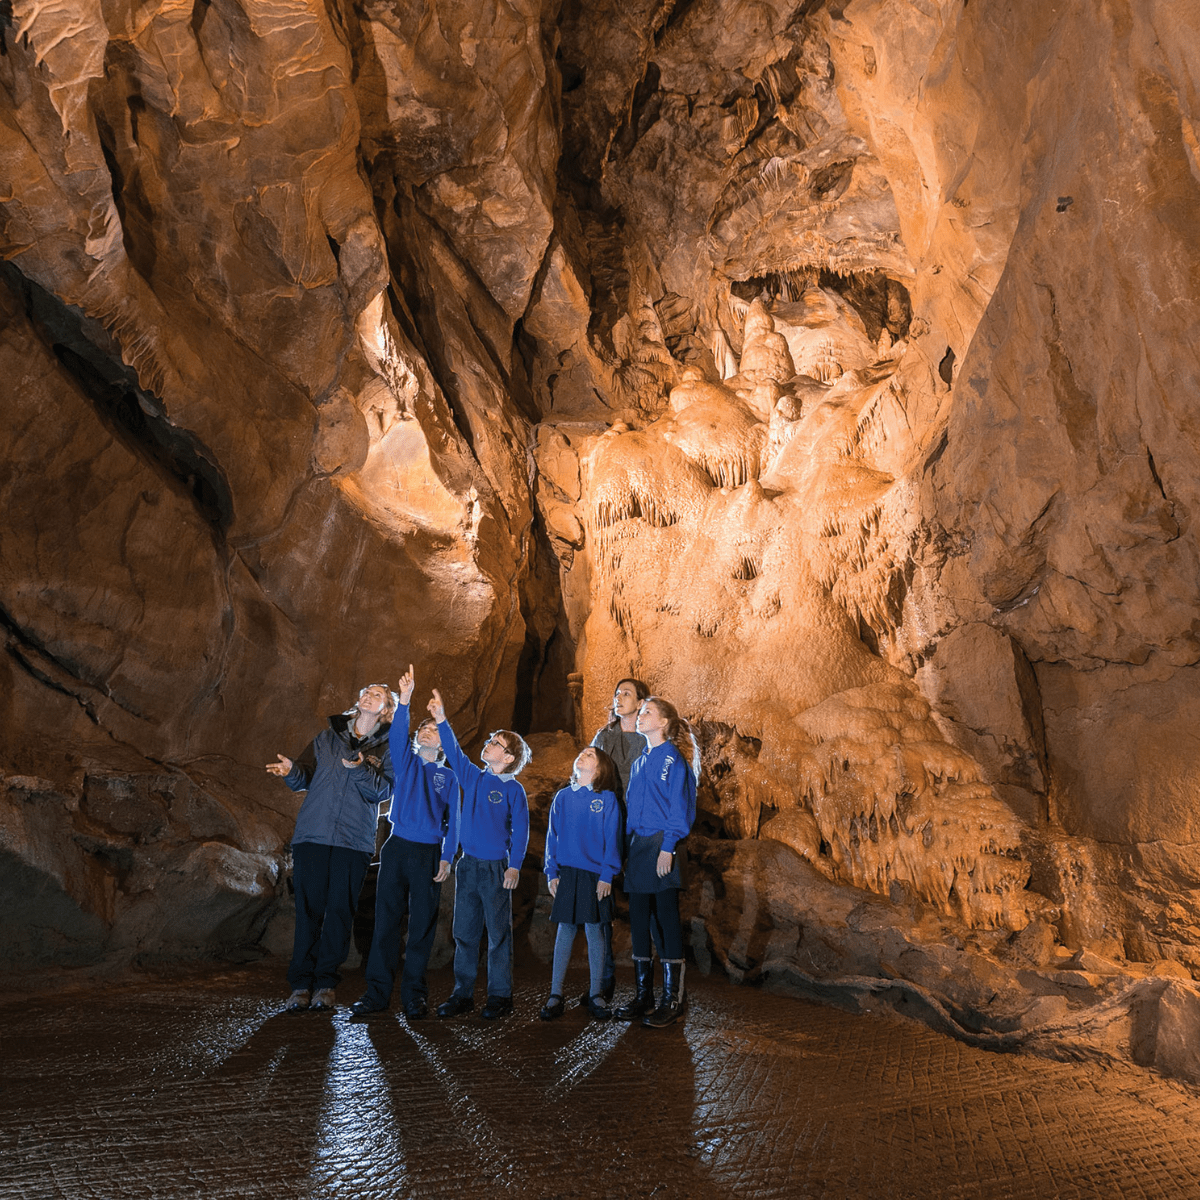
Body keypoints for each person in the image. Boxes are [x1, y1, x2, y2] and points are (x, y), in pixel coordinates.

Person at [266, 683, 396, 1013]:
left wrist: (360, 769)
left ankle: (325, 984)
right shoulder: (326, 739)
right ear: (358, 701)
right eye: (366, 691)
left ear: (386, 710)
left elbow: (383, 792)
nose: (368, 694)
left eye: (378, 694)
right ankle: (299, 985)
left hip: (353, 841)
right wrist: (290, 771)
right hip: (313, 835)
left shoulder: (391, 746)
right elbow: (304, 777)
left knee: (339, 911)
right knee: (308, 911)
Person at [351, 666, 458, 1021]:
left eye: (433, 729)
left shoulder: (448, 776)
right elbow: (398, 735)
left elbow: (453, 821)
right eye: (423, 729)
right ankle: (376, 993)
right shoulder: (407, 763)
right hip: (396, 848)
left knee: (422, 925)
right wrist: (407, 700)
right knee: (386, 921)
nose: (425, 731)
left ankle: (414, 995)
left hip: (428, 853)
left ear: (443, 742)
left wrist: (446, 857)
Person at [429, 689, 531, 1020]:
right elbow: (456, 753)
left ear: (509, 758)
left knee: (499, 934)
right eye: (490, 740)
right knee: (465, 932)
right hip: (468, 866)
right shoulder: (472, 776)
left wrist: (514, 867)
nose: (488, 744)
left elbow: (522, 832)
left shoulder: (513, 790)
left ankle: (501, 996)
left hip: (495, 869)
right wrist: (442, 720)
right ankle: (462, 993)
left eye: (497, 744)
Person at [612, 696, 698, 1028]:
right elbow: (632, 812)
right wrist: (625, 850)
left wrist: (669, 846)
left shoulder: (671, 759)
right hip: (639, 848)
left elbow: (680, 806)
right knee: (640, 921)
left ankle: (673, 997)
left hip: (663, 844)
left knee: (665, 919)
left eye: (647, 711)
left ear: (663, 723)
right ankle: (643, 993)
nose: (641, 715)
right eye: (641, 711)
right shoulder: (639, 761)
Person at [540, 747, 623, 1022]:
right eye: (581, 753)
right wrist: (551, 871)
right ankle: (555, 994)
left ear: (599, 770)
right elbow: (552, 837)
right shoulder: (562, 797)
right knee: (564, 930)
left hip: (595, 873)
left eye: (590, 755)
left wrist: (607, 874)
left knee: (595, 930)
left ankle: (596, 994)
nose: (582, 756)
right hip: (568, 872)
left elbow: (613, 838)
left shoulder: (607, 799)